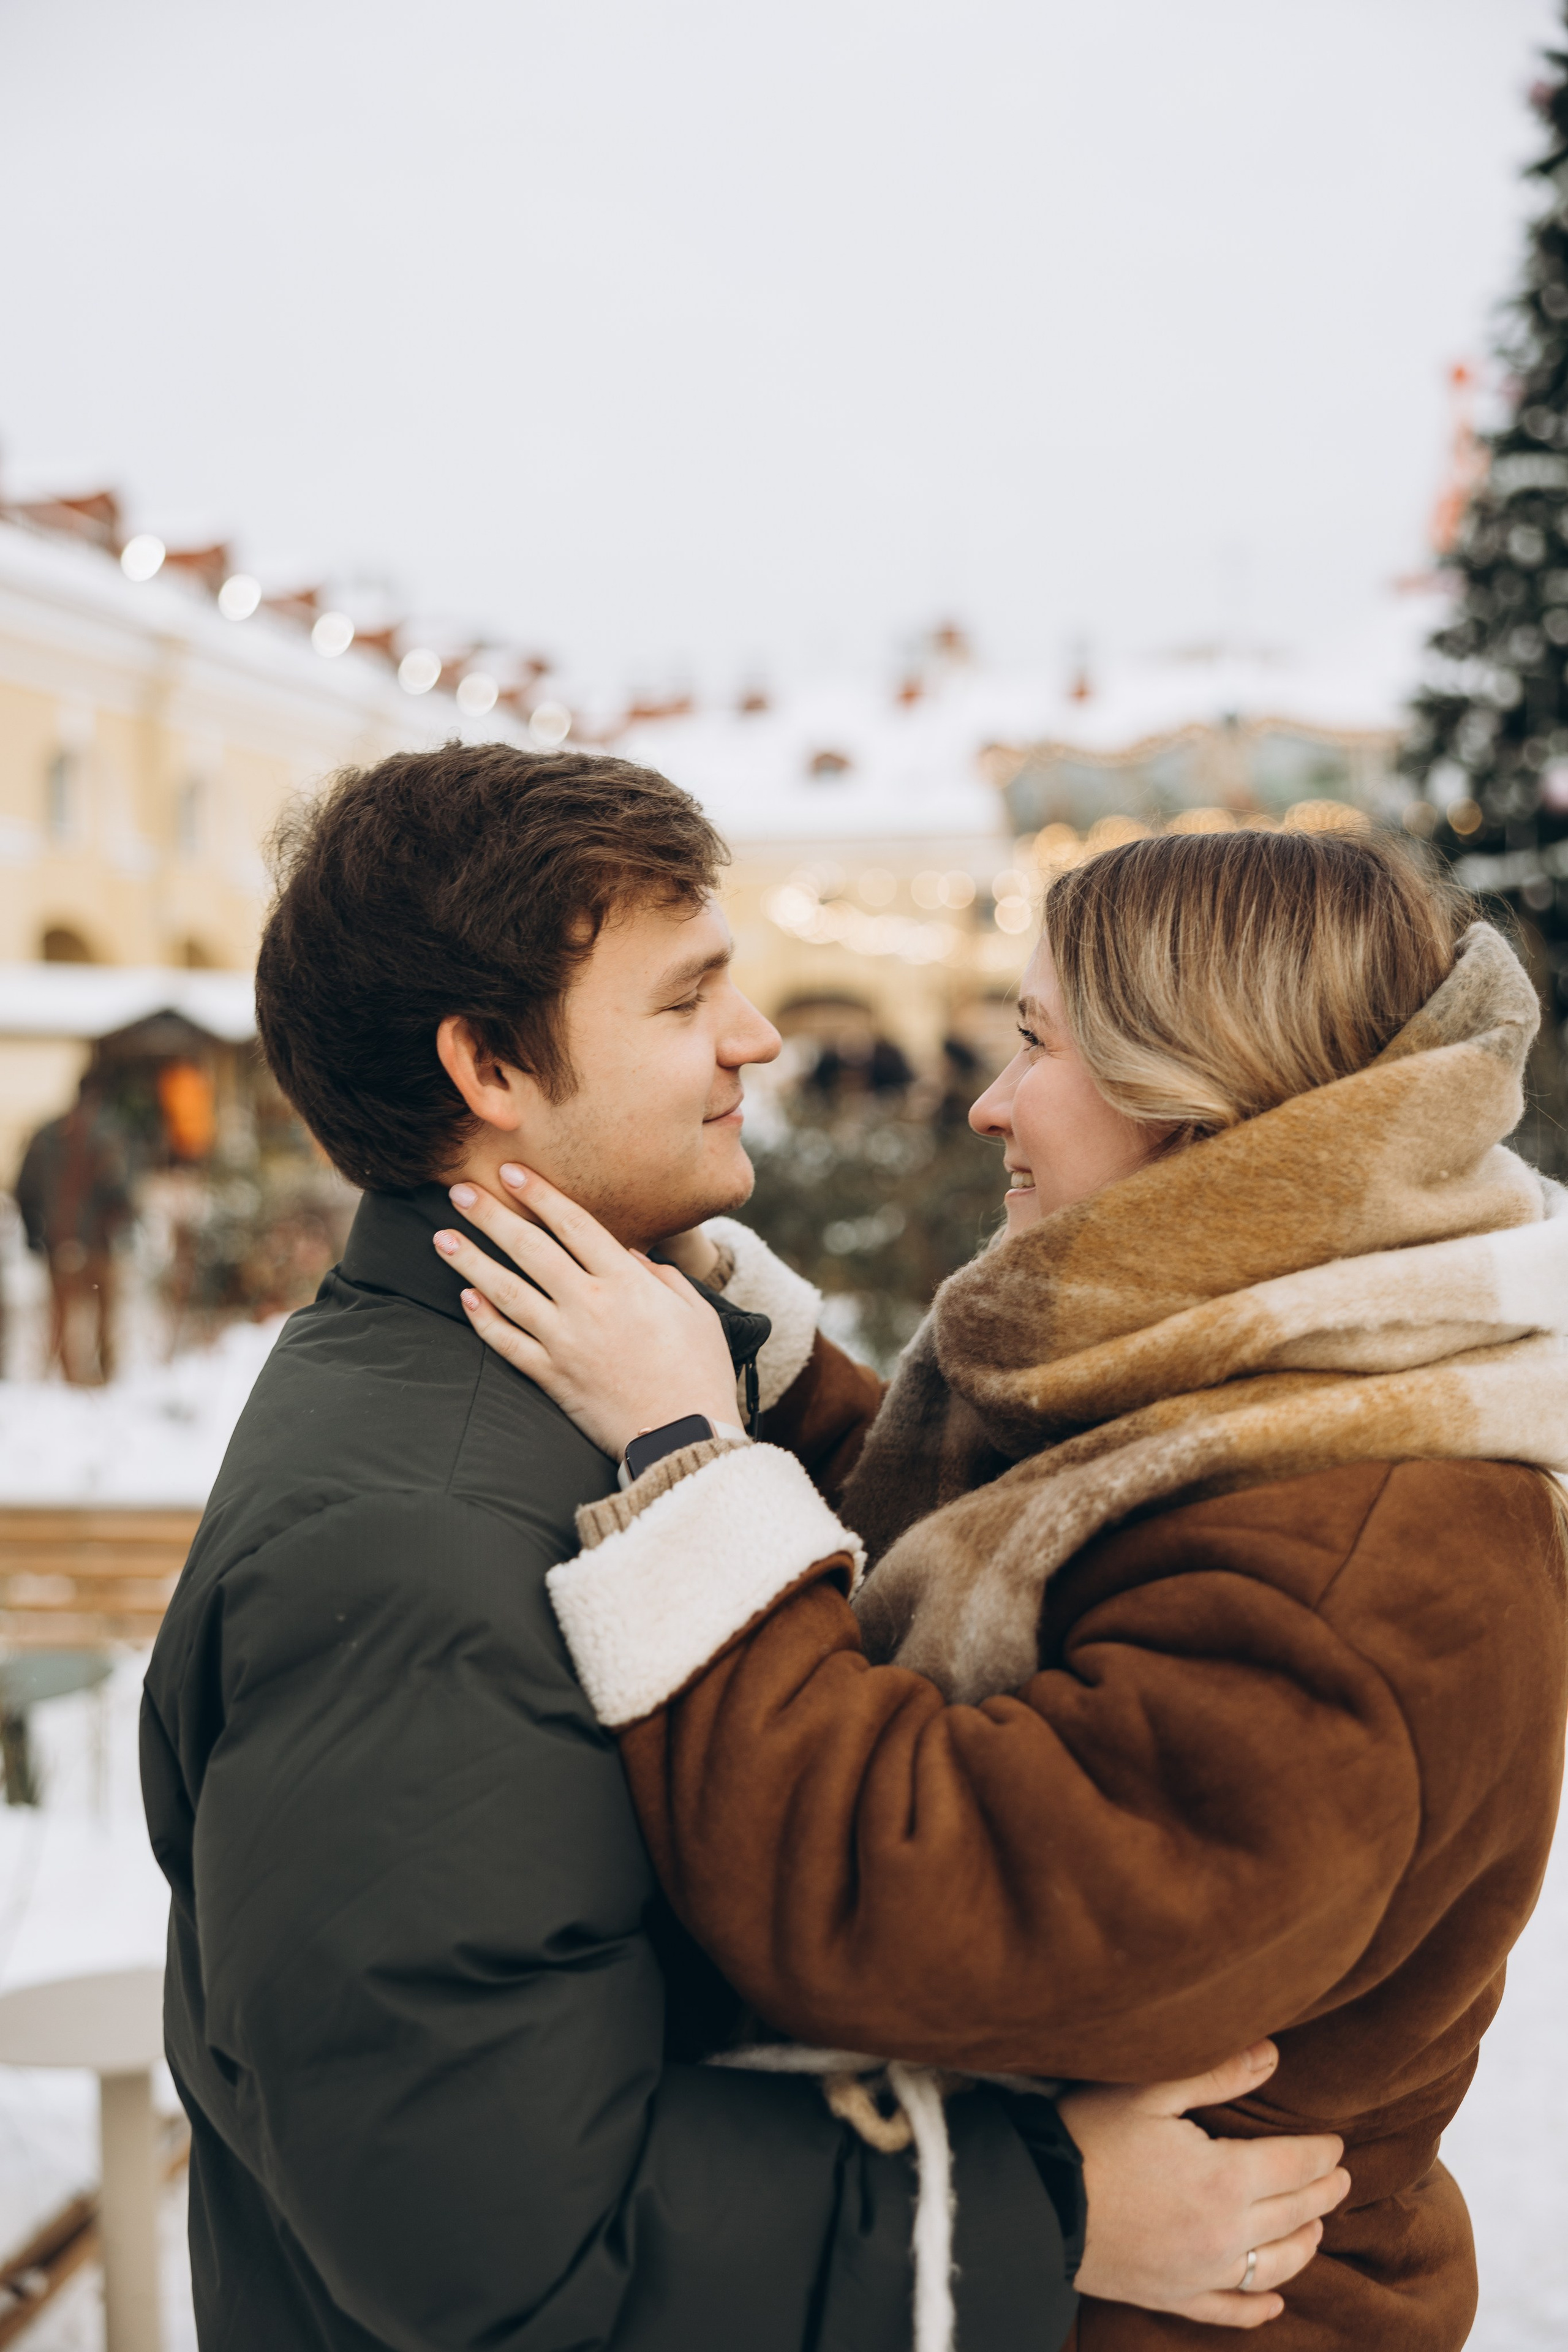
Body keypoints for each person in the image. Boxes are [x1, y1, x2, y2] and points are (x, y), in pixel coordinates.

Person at [140, 748, 1344, 2352]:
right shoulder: (408, 1550)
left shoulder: (579, 1389)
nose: (755, 1038)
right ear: (489, 1063)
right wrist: (1034, 2207)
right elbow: (482, 2235)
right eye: (685, 998)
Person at [448, 826, 1568, 2351]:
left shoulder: (1364, 1540)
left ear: (1195, 1097)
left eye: (1033, 1043)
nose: (984, 1101)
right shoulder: (1254, 1365)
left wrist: (685, 1458)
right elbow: (1000, 1549)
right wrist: (750, 1359)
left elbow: (909, 1900)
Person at [15, 1070, 134, 1382]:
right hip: (97, 1241)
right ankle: (102, 1377)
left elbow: (23, 1188)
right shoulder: (111, 1133)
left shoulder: (48, 1133)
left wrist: (34, 1233)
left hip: (59, 1237)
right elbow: (122, 1190)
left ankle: (71, 1378)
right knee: (102, 1312)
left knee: (65, 1313)